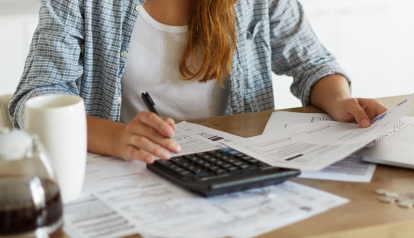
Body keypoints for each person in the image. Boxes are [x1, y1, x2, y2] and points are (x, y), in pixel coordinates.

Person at [9, 0, 388, 164]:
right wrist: (117, 138)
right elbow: (34, 99)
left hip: (239, 167)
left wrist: (338, 99)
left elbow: (313, 64)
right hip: (134, 167)